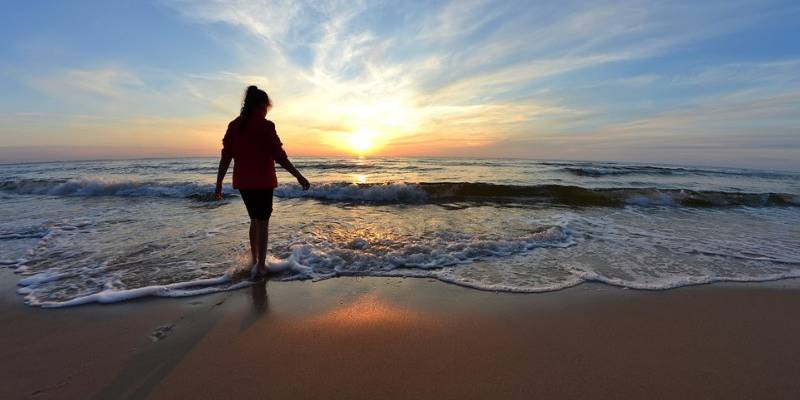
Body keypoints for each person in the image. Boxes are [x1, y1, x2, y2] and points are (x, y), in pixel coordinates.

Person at [214, 85, 310, 279]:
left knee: (254, 220)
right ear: (259, 106)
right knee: (263, 222)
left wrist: (218, 184)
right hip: (263, 182)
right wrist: (298, 176)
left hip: (243, 182)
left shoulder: (234, 126)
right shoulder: (266, 126)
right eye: (266, 106)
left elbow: (226, 157)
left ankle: (255, 260)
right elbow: (280, 156)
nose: (267, 111)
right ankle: (261, 266)